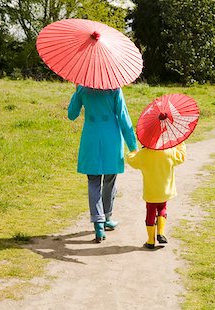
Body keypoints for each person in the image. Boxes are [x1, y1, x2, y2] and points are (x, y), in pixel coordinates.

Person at [68, 85, 138, 243]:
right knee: (109, 180)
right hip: (111, 139)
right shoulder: (114, 88)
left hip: (91, 139)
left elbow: (72, 114)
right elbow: (123, 116)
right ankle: (106, 217)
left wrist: (76, 93)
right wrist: (133, 146)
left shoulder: (82, 88)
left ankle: (98, 224)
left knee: (93, 181)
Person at [127, 141, 186, 249]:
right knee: (162, 208)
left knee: (150, 212)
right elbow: (181, 157)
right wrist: (180, 144)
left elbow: (132, 160)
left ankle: (150, 240)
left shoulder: (143, 154)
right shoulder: (169, 151)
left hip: (150, 192)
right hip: (164, 191)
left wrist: (133, 152)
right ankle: (161, 233)